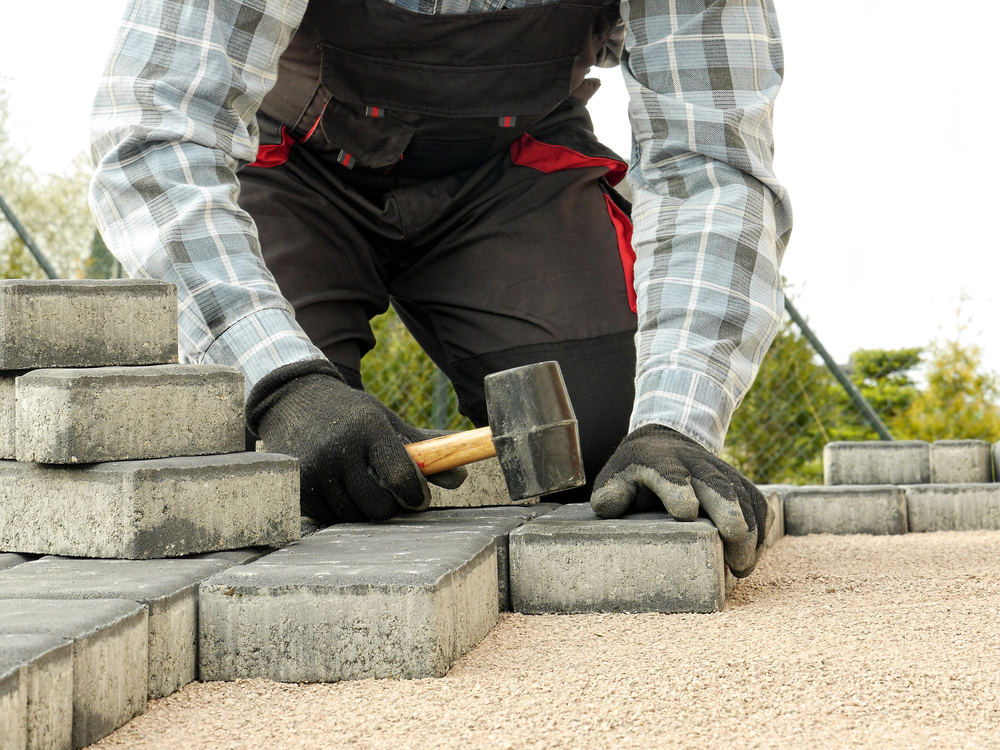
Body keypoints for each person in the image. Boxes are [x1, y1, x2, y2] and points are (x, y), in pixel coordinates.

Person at [90, 0, 792, 578]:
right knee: (278, 468)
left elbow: (713, 166)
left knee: (600, 435)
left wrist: (675, 421)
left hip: (509, 169)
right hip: (289, 162)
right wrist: (278, 383)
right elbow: (158, 132)